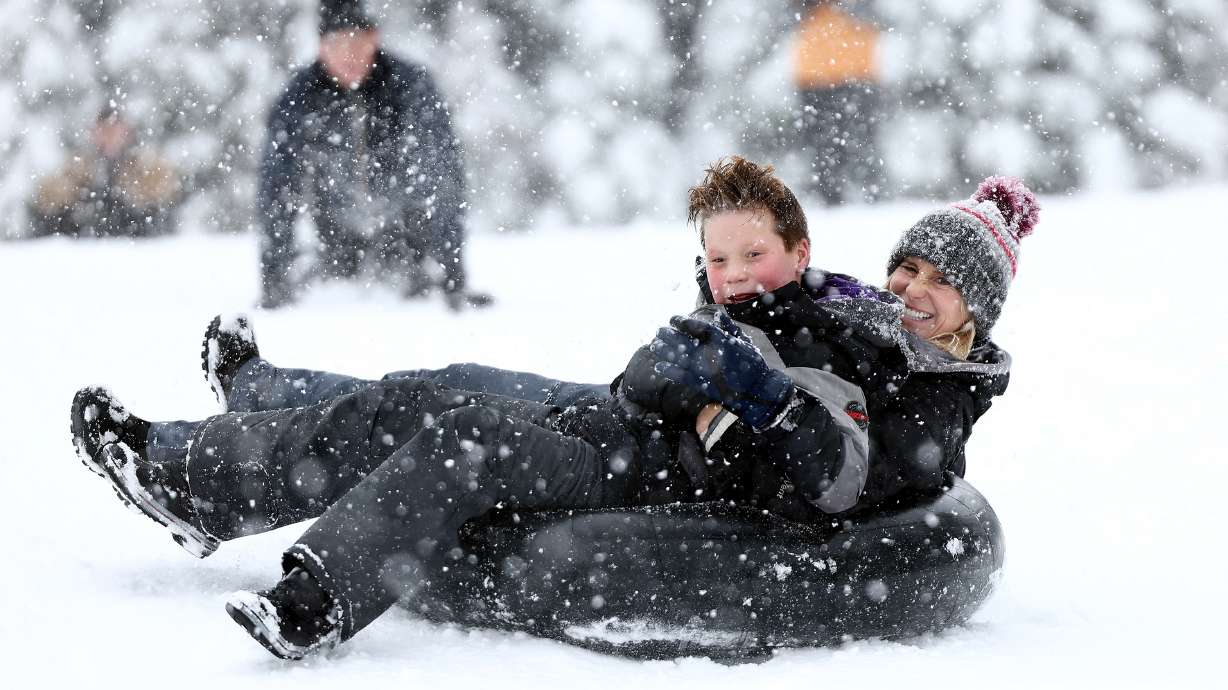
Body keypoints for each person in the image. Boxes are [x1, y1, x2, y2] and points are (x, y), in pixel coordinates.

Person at [68, 157, 1036, 659]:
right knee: (433, 388)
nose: (911, 287)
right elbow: (661, 373)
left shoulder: (922, 397)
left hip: (659, 476)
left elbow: (830, 475)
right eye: (905, 266)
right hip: (640, 428)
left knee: (459, 434)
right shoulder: (858, 317)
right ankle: (241, 419)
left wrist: (742, 403)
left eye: (939, 281)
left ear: (975, 307)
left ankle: (285, 564)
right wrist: (699, 377)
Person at [258, 0, 490, 311]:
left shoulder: (411, 86)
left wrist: (453, 275)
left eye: (357, 41)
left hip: (407, 241)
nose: (348, 54)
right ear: (321, 48)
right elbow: (277, 186)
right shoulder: (299, 98)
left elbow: (442, 175)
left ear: (374, 40)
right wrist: (275, 279)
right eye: (337, 43)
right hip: (335, 242)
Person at [28, 105, 180, 238]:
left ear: (126, 132)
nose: (109, 137)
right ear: (94, 133)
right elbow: (48, 202)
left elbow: (164, 204)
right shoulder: (79, 166)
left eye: (114, 130)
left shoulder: (147, 165)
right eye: (104, 131)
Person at [793, 1, 884, 204]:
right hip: (816, 76)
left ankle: (871, 196)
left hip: (856, 73)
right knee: (823, 145)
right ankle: (830, 197)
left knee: (861, 142)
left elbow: (874, 14)